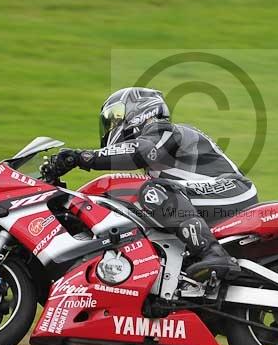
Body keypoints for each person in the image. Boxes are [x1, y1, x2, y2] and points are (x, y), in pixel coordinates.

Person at [43, 87, 257, 278]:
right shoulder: (157, 147)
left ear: (138, 111)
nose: (111, 127)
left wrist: (81, 157)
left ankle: (213, 254)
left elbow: (140, 152)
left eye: (115, 117)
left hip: (232, 189)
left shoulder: (164, 130)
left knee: (153, 192)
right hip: (211, 196)